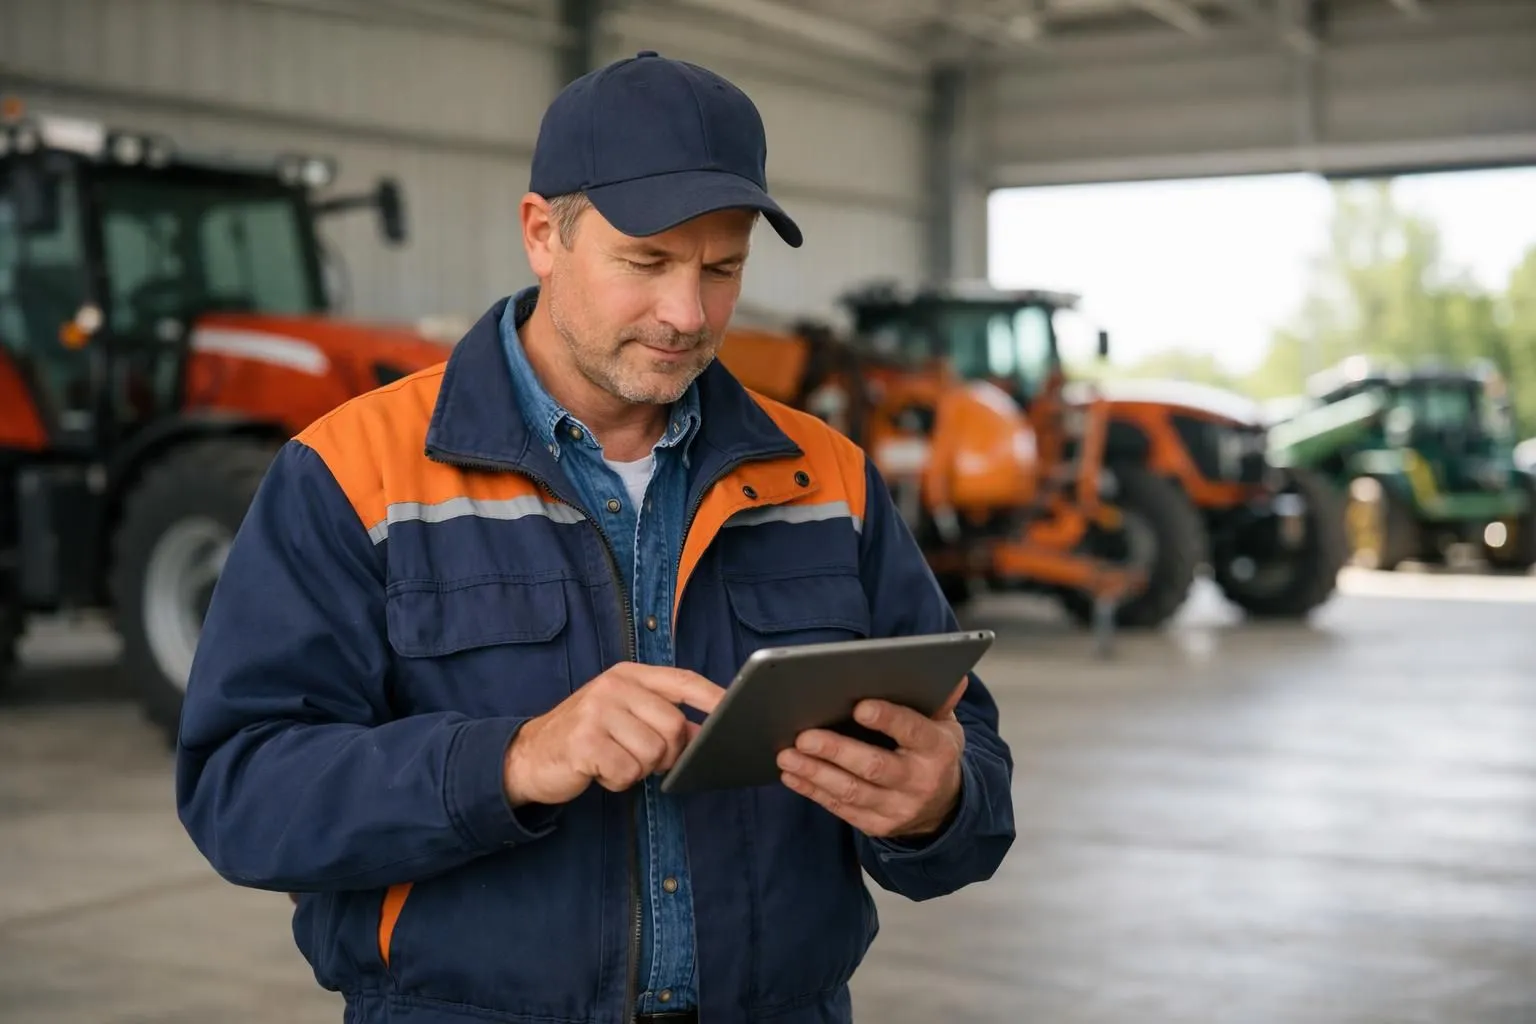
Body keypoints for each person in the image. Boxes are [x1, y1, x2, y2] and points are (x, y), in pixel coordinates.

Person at [175, 50, 1016, 1024]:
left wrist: (937, 803)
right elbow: (244, 792)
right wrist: (515, 759)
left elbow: (971, 762)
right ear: (543, 233)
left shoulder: (827, 479)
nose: (686, 313)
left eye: (722, 267)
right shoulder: (352, 474)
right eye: (646, 262)